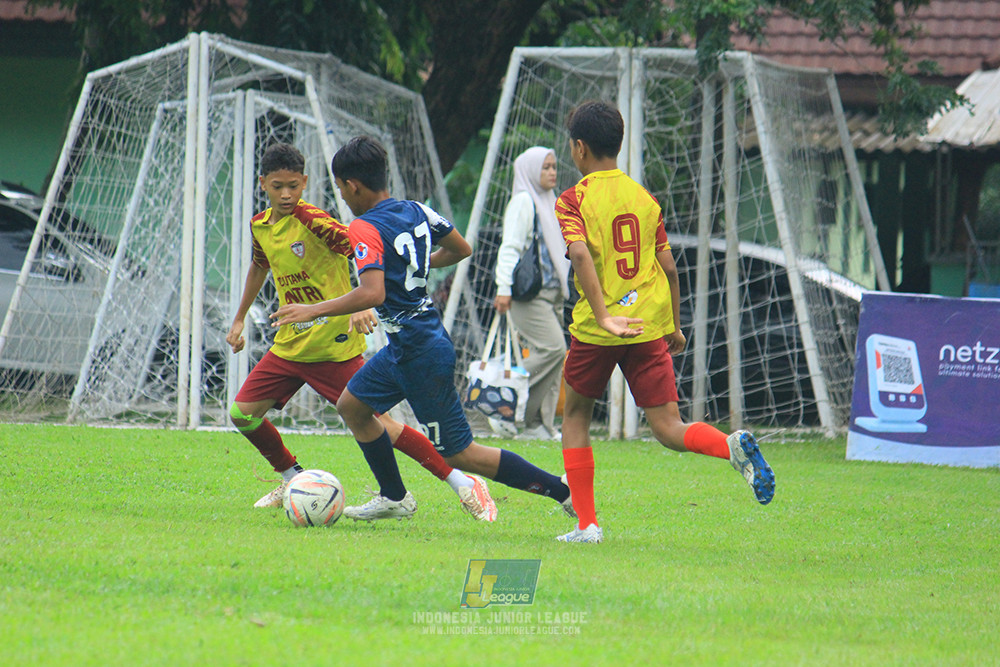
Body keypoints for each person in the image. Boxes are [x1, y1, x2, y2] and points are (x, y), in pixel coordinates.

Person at [271, 135, 575, 522]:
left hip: (421, 352)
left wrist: (313, 310)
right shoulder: (416, 209)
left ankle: (562, 490)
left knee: (460, 453)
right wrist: (415, 264)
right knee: (352, 406)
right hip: (406, 345)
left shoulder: (363, 227)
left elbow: (372, 292)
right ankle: (394, 496)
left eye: (340, 190)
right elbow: (461, 249)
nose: (343, 198)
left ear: (352, 186)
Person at [226, 142, 495, 521]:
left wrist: (368, 303)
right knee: (243, 413)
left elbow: (368, 257)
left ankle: (461, 483)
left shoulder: (317, 222)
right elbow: (259, 266)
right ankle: (292, 477)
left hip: (333, 345)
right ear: (263, 184)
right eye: (277, 186)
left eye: (292, 186)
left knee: (383, 424)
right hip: (290, 346)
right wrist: (239, 318)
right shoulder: (260, 225)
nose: (286, 194)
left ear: (304, 182)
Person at [554, 101, 776, 544]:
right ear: (616, 144)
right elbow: (670, 268)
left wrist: (603, 315)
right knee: (669, 428)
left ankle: (587, 525)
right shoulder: (645, 199)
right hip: (649, 325)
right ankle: (729, 446)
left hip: (599, 330)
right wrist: (674, 327)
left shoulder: (573, 200)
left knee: (576, 415)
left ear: (579, 149)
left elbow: (579, 255)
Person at [493, 146, 569, 440]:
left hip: (554, 294)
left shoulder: (551, 201)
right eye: (545, 167)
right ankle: (503, 394)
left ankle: (538, 426)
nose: (552, 172)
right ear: (530, 170)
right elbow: (509, 248)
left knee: (552, 361)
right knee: (553, 349)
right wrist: (503, 289)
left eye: (553, 166)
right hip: (528, 296)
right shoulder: (523, 201)